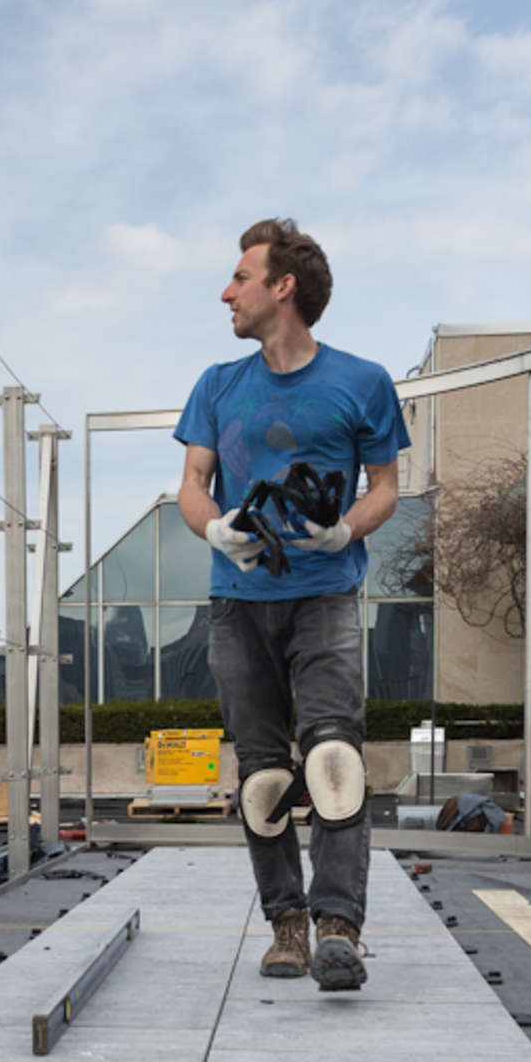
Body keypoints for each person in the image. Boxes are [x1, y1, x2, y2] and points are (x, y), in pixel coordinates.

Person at [176, 219, 410, 988]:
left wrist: (342, 527)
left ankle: (339, 923)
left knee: (334, 754)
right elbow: (192, 486)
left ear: (284, 287)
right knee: (263, 776)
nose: (225, 291)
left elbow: (385, 489)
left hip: (325, 594)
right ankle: (288, 927)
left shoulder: (362, 381)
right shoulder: (218, 384)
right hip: (239, 599)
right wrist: (217, 529)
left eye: (240, 276)